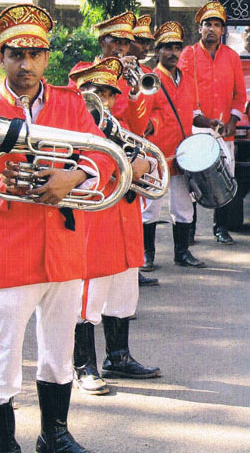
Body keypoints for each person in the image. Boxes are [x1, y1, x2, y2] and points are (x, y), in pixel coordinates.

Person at [0, 4, 115, 453]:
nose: (25, 64)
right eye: (15, 54)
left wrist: (73, 177)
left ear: (47, 58)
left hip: (65, 248)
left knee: (59, 350)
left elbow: (105, 157)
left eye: (34, 54)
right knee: (4, 352)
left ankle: (55, 434)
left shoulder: (70, 104)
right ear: (3, 56)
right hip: (9, 248)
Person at [69, 49, 161, 399]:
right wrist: (127, 166)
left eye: (109, 93)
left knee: (123, 291)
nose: (104, 100)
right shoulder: (75, 123)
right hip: (96, 214)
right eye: (98, 92)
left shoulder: (114, 124)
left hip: (125, 213)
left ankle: (118, 356)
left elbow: (142, 136)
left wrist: (144, 166)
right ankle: (83, 366)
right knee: (90, 293)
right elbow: (84, 165)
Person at [178, 1, 247, 245]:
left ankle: (221, 228)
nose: (212, 29)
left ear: (223, 31)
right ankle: (189, 231)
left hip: (224, 131)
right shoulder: (188, 54)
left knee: (226, 177)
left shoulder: (232, 57)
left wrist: (233, 121)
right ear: (200, 28)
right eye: (208, 24)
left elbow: (240, 94)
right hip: (196, 127)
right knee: (193, 181)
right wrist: (203, 120)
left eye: (217, 25)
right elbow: (183, 92)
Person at [142, 21, 206, 269]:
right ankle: (147, 255)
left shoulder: (188, 79)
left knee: (183, 207)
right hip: (156, 155)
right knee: (150, 207)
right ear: (158, 51)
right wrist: (154, 124)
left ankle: (182, 253)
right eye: (167, 47)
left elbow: (193, 114)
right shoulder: (151, 79)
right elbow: (143, 119)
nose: (173, 53)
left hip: (183, 155)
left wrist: (209, 122)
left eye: (177, 47)